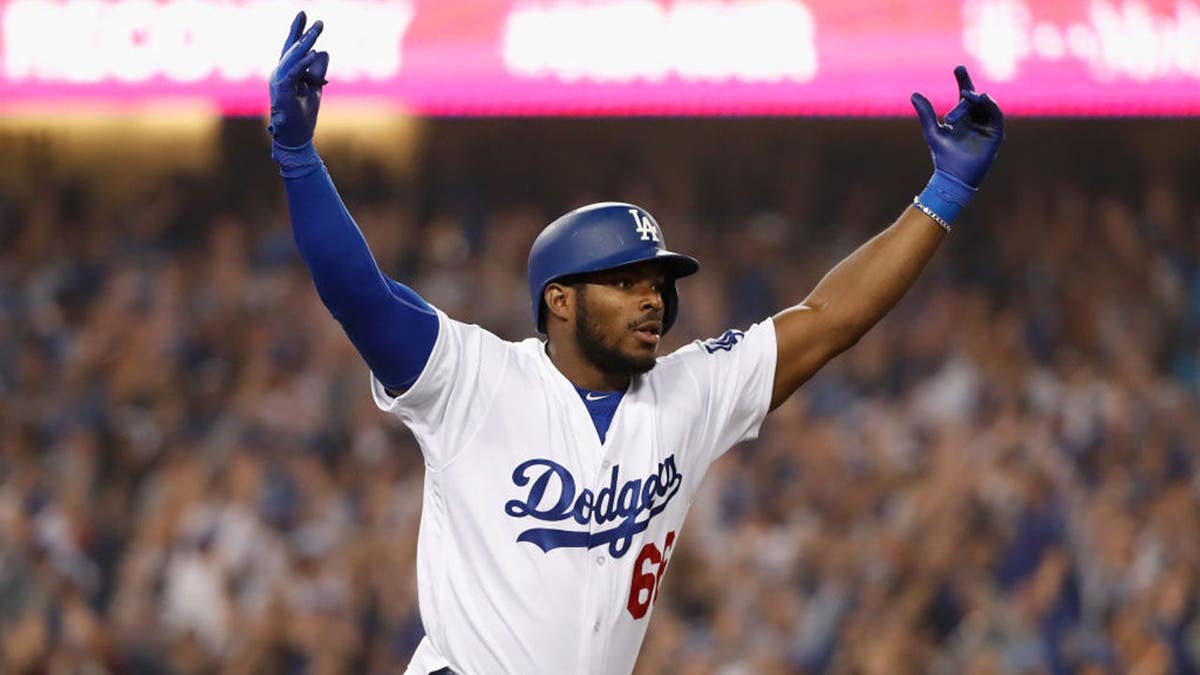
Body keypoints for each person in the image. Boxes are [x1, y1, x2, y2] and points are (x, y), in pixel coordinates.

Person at [266, 11, 1004, 675]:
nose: (652, 298)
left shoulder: (689, 392)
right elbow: (359, 294)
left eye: (657, 282)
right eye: (623, 281)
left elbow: (828, 318)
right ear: (559, 300)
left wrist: (942, 195)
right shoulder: (475, 380)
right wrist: (298, 155)